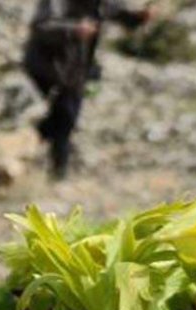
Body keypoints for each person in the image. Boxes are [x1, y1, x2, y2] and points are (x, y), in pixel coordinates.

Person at [25, 0, 153, 179]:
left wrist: (138, 18)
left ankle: (42, 158)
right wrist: (74, 29)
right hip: (50, 69)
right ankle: (55, 171)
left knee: (65, 120)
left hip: (76, 70)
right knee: (64, 117)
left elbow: (119, 14)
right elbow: (41, 26)